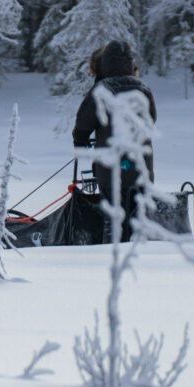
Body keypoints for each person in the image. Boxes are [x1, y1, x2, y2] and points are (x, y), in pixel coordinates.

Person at [71, 40, 156, 241]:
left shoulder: (102, 90)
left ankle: (110, 248)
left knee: (113, 214)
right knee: (137, 213)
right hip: (141, 166)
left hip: (111, 168)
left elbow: (83, 123)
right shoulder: (143, 88)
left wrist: (80, 142)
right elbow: (152, 119)